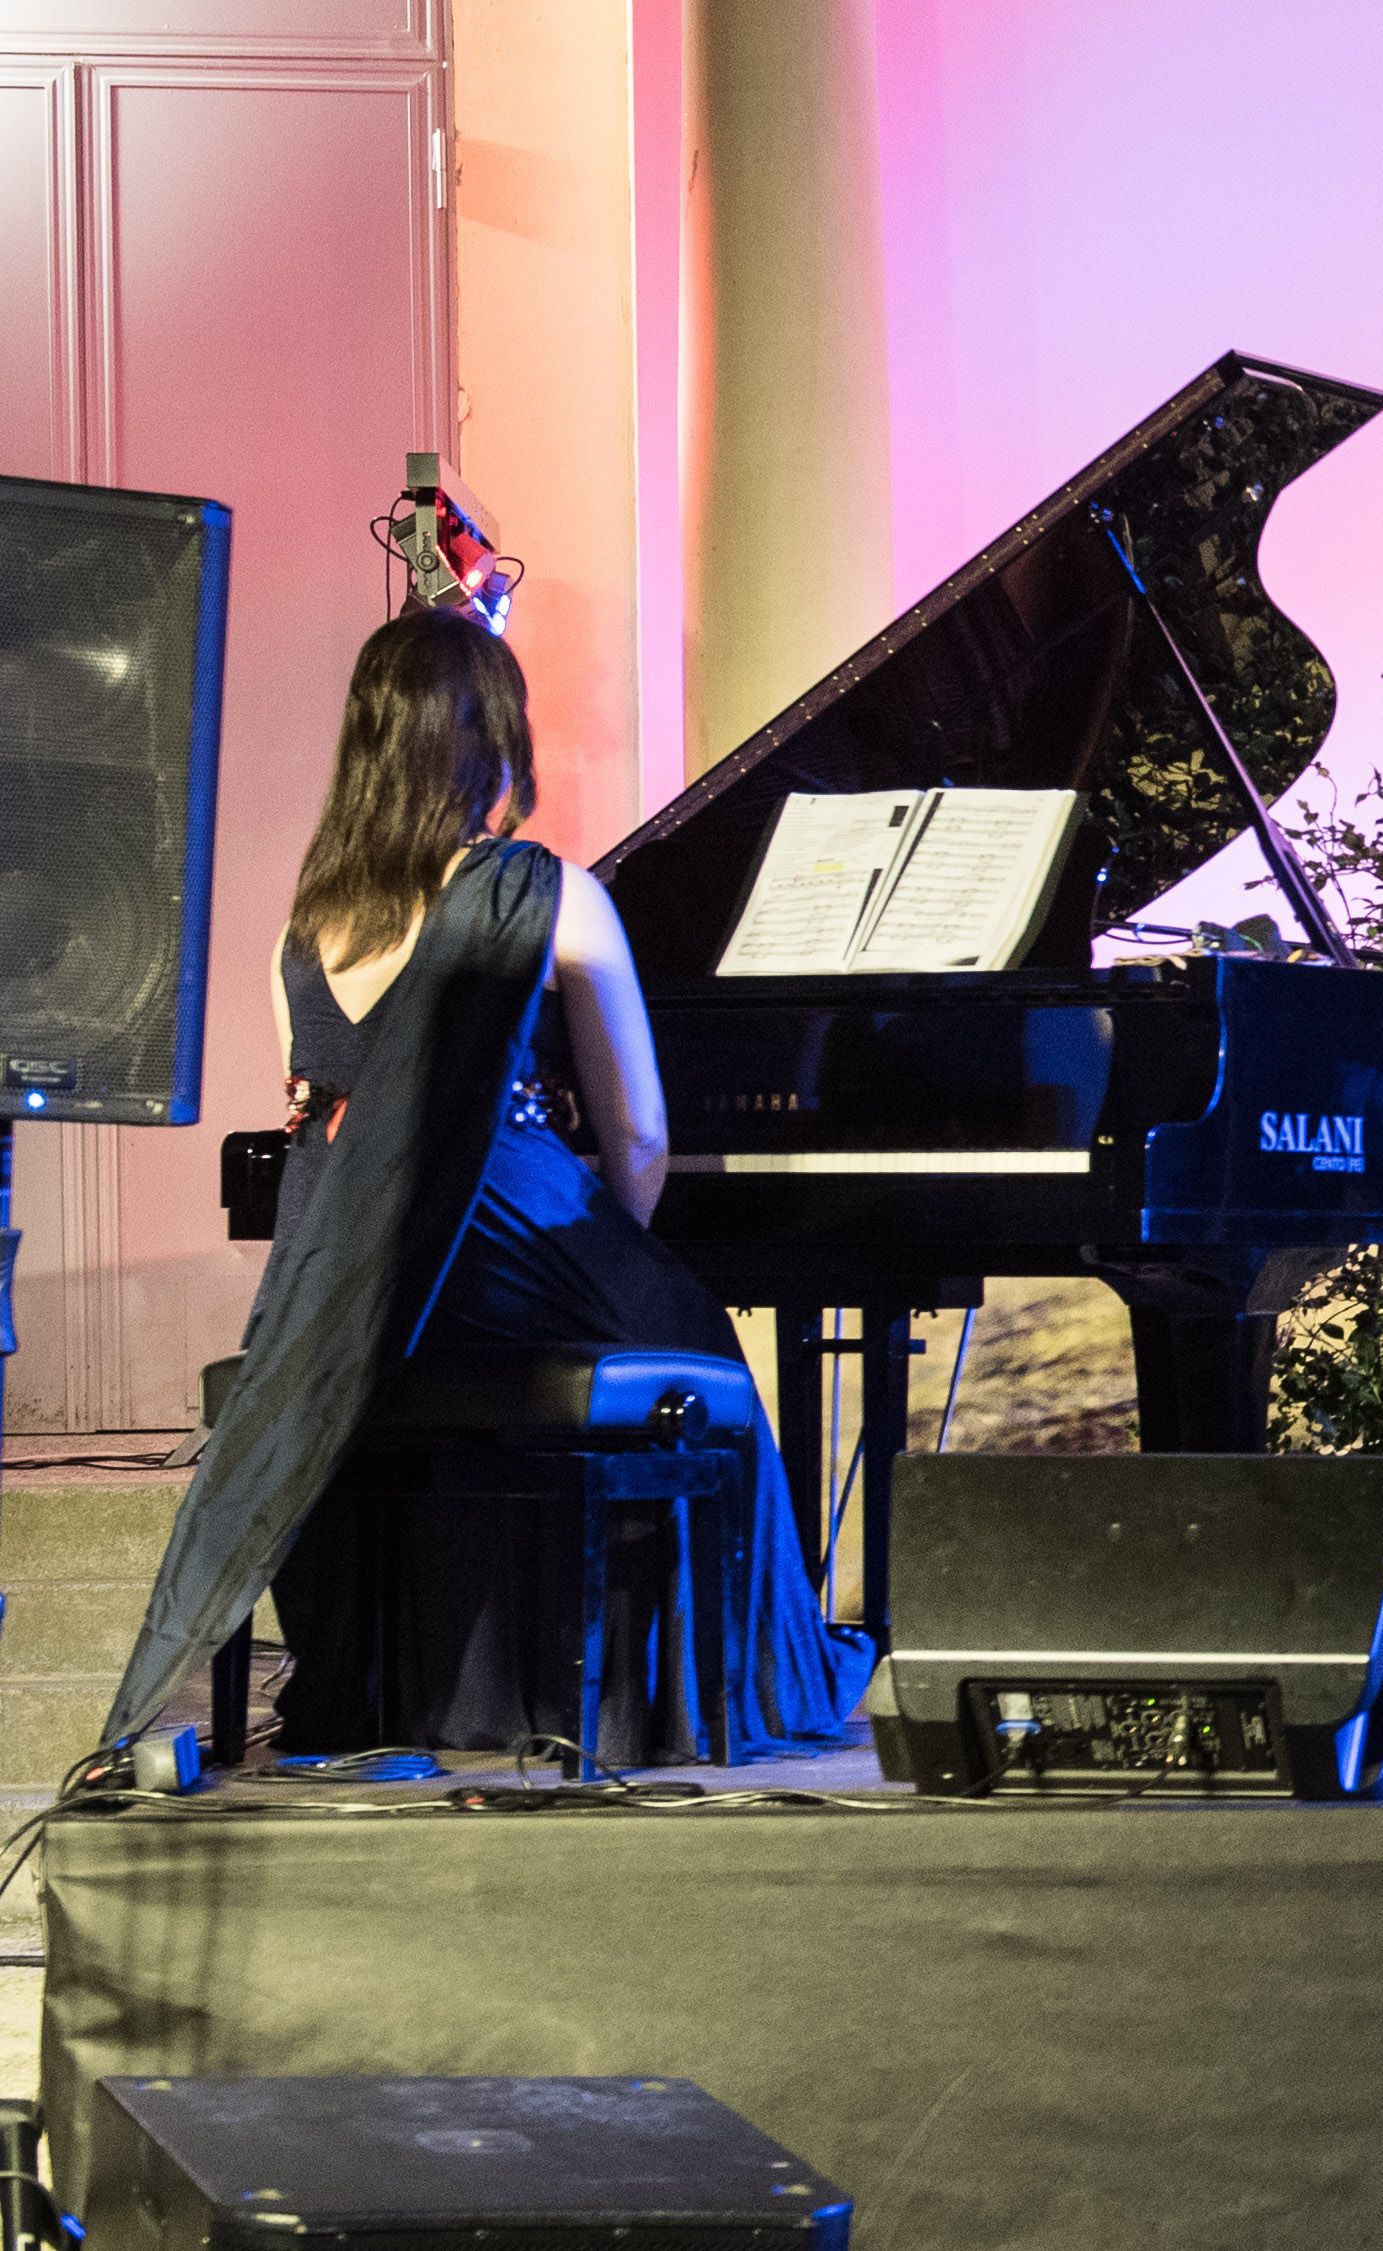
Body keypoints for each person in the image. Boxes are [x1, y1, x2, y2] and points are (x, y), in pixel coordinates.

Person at [165, 609, 864, 1765]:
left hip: (347, 1301)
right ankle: (716, 1684)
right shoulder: (551, 894)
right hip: (514, 1246)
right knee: (701, 1352)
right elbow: (637, 1134)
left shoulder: (300, 930)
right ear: (493, 736)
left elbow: (331, 1131)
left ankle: (419, 1686)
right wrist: (604, 1279)